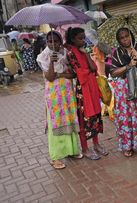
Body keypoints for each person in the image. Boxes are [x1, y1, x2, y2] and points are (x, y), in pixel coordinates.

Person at [37, 31, 82, 169]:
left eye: (56, 41)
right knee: (56, 122)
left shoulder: (64, 54)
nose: (53, 44)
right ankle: (55, 157)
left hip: (67, 92)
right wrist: (52, 62)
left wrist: (60, 74)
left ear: (60, 42)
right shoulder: (42, 57)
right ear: (46, 42)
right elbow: (50, 77)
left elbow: (72, 74)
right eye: (50, 41)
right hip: (54, 95)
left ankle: (71, 150)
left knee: (69, 119)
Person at [64, 27, 108, 160]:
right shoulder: (71, 53)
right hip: (82, 90)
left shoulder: (84, 51)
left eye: (84, 38)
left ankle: (96, 144)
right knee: (84, 119)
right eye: (80, 38)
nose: (83, 41)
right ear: (73, 39)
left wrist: (87, 54)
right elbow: (80, 73)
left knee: (95, 115)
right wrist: (88, 69)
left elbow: (94, 68)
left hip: (92, 87)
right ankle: (85, 148)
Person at [110, 27, 137, 157]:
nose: (125, 39)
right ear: (119, 40)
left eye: (127, 36)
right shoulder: (117, 53)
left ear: (131, 36)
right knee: (127, 117)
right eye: (122, 38)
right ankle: (127, 146)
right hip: (124, 89)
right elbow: (113, 72)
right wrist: (129, 65)